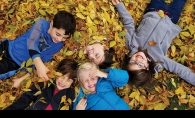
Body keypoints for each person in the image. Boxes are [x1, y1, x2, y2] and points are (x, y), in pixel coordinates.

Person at [111, 0, 194, 88]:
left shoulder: (131, 44)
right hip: (171, 18)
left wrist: (119, 6)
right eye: (140, 65)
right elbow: (180, 70)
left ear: (128, 60)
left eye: (133, 62)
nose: (138, 60)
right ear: (147, 67)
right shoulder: (158, 59)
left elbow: (129, 23)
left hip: (153, 10)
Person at [0, 10, 76, 88]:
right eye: (57, 34)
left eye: (64, 38)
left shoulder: (58, 45)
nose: (59, 39)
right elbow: (32, 41)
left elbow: (39, 65)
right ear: (52, 24)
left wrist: (21, 79)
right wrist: (38, 62)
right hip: (8, 46)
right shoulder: (41, 24)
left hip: (14, 62)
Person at [3, 59, 78, 110]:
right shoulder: (45, 82)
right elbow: (26, 98)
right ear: (56, 72)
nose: (63, 82)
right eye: (61, 76)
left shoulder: (70, 94)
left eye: (69, 80)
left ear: (73, 82)